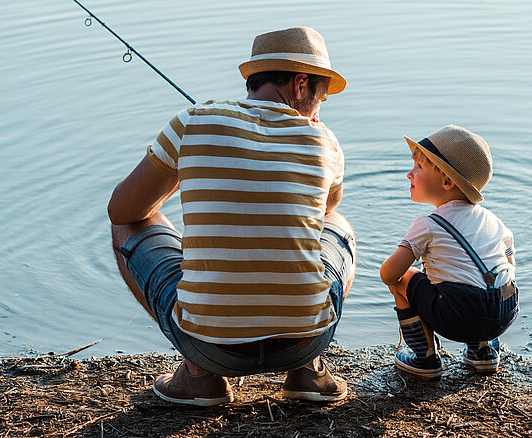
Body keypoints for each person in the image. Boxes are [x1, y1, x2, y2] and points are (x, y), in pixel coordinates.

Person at [108, 26, 356, 406]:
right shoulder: (326, 142)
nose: (320, 109)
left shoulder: (191, 122)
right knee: (341, 228)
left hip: (211, 347)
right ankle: (309, 371)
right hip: (304, 341)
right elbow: (325, 213)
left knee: (129, 226)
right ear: (302, 84)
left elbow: (122, 210)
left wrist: (187, 172)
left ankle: (198, 374)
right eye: (321, 96)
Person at [379, 125, 518, 378]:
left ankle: (425, 358)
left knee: (404, 279)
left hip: (459, 316)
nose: (409, 174)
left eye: (418, 168)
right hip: (506, 310)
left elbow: (389, 273)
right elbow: (509, 262)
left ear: (446, 181)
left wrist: (415, 278)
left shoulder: (426, 225)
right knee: (484, 277)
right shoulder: (493, 220)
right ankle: (483, 351)